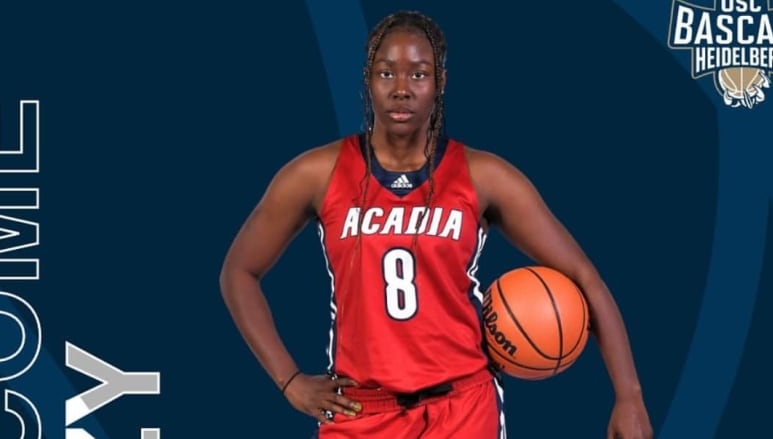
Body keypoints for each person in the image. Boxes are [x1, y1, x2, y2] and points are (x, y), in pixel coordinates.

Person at [220, 9, 653, 439]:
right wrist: (289, 380)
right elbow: (239, 272)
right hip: (362, 410)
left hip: (462, 408)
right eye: (387, 74)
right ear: (368, 80)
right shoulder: (316, 173)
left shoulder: (484, 176)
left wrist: (629, 395)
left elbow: (584, 275)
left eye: (418, 74)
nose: (402, 90)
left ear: (440, 82)